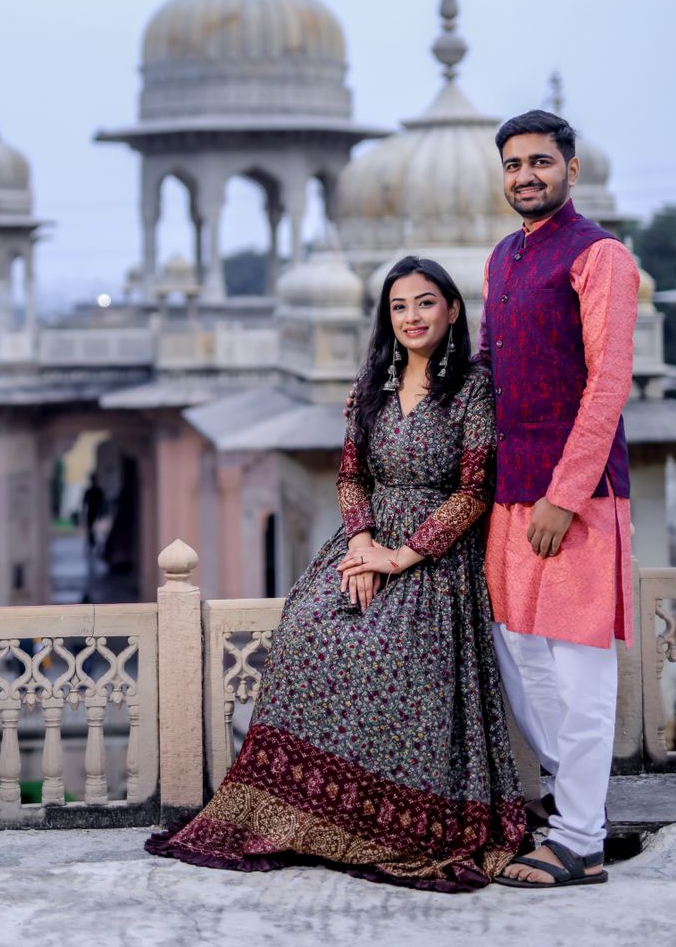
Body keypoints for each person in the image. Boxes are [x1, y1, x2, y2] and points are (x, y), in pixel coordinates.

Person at [146, 256, 525, 891]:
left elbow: (474, 491)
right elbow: (351, 476)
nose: (412, 317)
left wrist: (400, 557)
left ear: (453, 311)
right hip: (366, 540)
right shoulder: (371, 386)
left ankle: (393, 821)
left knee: (391, 656)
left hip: (437, 557)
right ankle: (309, 812)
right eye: (399, 306)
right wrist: (364, 544)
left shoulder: (472, 391)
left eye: (426, 303)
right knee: (310, 632)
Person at [481, 110, 639, 889]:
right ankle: (565, 808)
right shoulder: (504, 259)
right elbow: (487, 369)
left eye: (540, 162)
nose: (525, 176)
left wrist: (564, 497)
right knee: (524, 662)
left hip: (574, 502)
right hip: (510, 497)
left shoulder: (600, 255)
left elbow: (608, 384)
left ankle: (582, 840)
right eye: (513, 165)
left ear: (571, 170)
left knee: (579, 674)